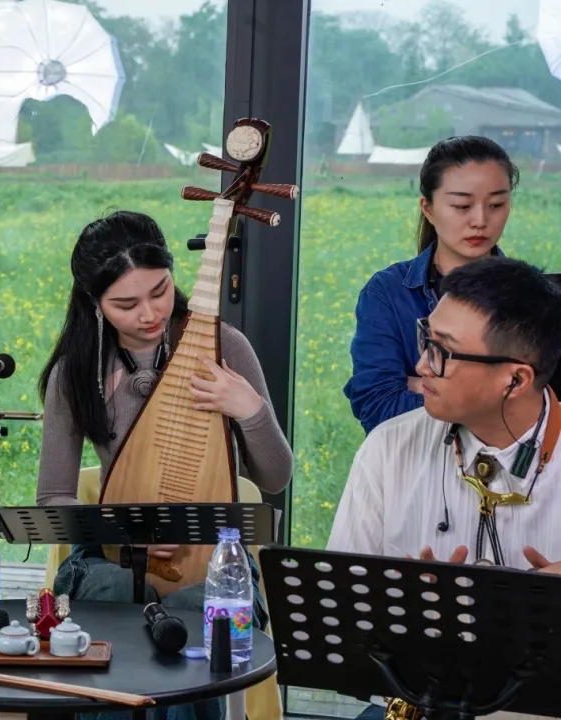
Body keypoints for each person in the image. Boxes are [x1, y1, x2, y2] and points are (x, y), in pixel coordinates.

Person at [36, 210, 294, 720]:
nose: (150, 313)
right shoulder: (77, 372)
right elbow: (53, 497)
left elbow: (274, 477)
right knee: (114, 604)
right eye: (125, 304)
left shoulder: (224, 347)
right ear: (93, 301)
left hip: (213, 558)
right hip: (112, 560)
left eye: (160, 290)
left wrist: (249, 410)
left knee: (192, 623)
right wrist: (122, 530)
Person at [329, 257, 561, 720]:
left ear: (516, 379)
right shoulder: (389, 446)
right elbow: (338, 616)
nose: (420, 366)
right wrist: (402, 607)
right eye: (426, 338)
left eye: (442, 351)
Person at [343, 136, 518, 434]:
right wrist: (493, 399)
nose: (480, 220)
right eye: (462, 206)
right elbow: (379, 408)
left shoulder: (532, 295)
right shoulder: (387, 293)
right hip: (414, 462)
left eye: (496, 204)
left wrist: (420, 386)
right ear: (428, 208)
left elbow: (542, 408)